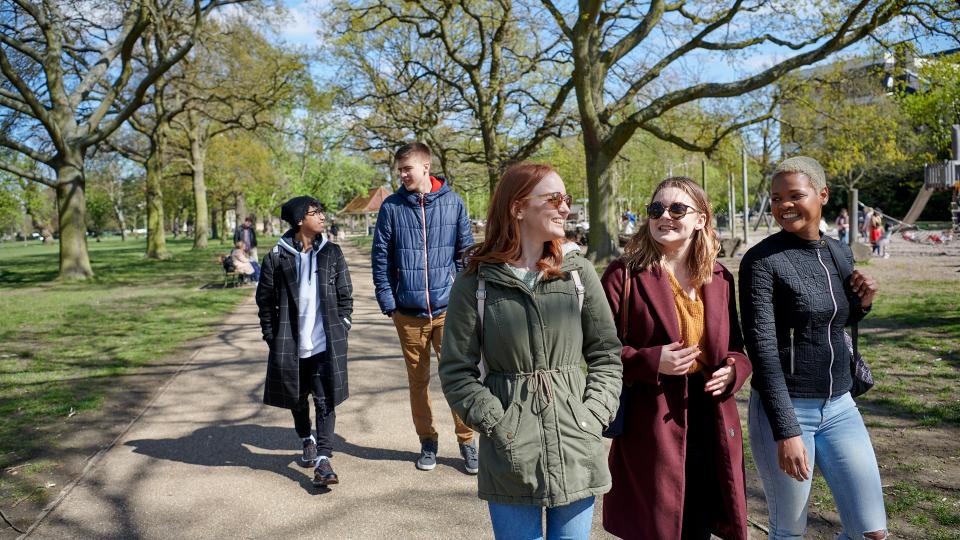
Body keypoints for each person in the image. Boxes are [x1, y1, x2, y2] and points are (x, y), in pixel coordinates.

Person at [439, 163, 622, 540]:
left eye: (566, 199)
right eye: (554, 198)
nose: (565, 208)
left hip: (576, 445)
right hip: (510, 454)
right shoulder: (475, 282)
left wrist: (592, 416)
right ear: (518, 207)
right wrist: (499, 424)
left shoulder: (578, 274)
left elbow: (606, 354)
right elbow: (457, 371)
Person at [739, 157, 885, 539]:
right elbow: (763, 351)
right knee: (789, 531)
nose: (784, 205)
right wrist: (786, 431)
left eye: (795, 195)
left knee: (871, 532)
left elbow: (837, 321)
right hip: (786, 410)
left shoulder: (839, 251)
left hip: (840, 406)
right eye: (776, 198)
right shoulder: (761, 262)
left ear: (822, 195)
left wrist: (864, 303)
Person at [601, 177, 752, 540]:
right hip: (651, 421)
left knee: (697, 522)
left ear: (700, 219)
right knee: (655, 526)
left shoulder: (720, 277)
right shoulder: (624, 275)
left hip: (711, 418)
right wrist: (651, 361)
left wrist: (734, 371)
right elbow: (597, 350)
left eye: (677, 209)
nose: (664, 216)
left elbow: (736, 347)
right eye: (656, 209)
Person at [371, 142, 477, 473]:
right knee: (418, 382)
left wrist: (462, 296)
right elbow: (381, 257)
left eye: (407, 169)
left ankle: (467, 441)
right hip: (408, 312)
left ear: (426, 167)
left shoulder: (453, 202)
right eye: (399, 170)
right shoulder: (391, 208)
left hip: (449, 310)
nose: (402, 175)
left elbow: (466, 254)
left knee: (457, 378)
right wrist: (388, 300)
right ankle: (427, 441)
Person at [255, 197, 353, 488]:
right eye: (315, 213)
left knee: (326, 400)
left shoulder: (331, 252)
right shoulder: (277, 256)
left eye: (322, 211)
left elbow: (346, 294)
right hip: (291, 345)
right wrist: (272, 337)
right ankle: (306, 437)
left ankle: (324, 460)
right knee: (297, 400)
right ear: (300, 220)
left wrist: (343, 325)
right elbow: (265, 301)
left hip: (325, 344)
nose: (322, 217)